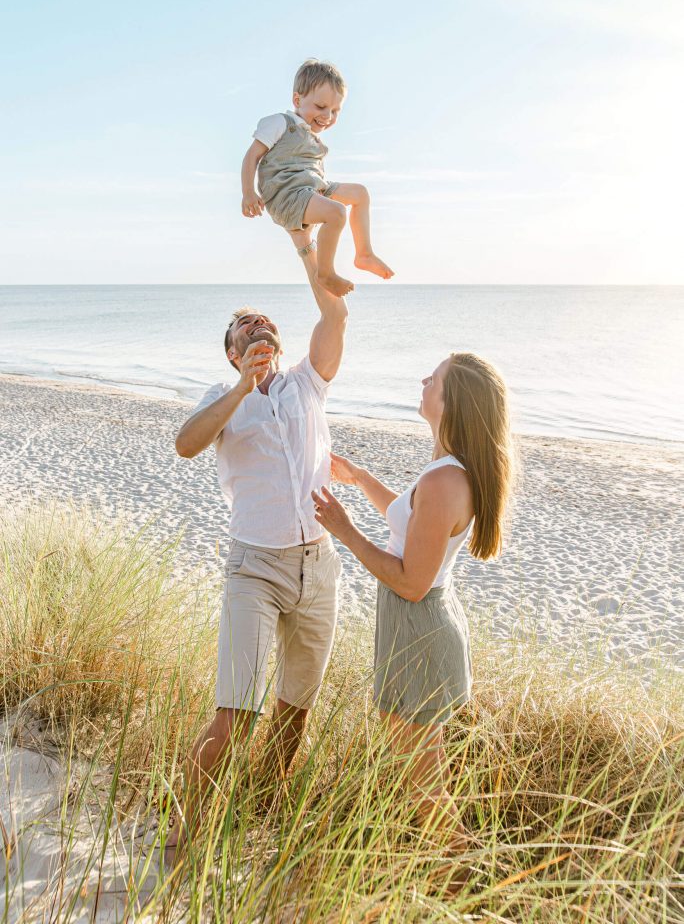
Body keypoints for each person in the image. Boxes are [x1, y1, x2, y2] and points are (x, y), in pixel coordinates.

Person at [166, 239, 347, 861]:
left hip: (319, 566)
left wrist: (311, 256)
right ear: (232, 351)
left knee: (293, 712)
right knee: (235, 713)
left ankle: (259, 815)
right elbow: (187, 445)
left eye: (265, 322)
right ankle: (183, 833)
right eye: (246, 327)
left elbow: (335, 319)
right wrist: (242, 388)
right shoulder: (223, 396)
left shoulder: (306, 385)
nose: (259, 327)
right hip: (255, 568)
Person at [312, 352, 513, 872]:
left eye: (435, 378)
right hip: (414, 628)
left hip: (420, 629)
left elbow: (411, 579)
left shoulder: (447, 481)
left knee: (422, 783)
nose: (424, 380)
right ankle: (435, 871)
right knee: (414, 771)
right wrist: (359, 478)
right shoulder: (445, 471)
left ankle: (464, 879)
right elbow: (408, 520)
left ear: (453, 404)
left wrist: (344, 528)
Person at [240, 58, 394, 298]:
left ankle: (364, 253)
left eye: (335, 111)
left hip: (311, 188)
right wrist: (249, 193)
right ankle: (325, 272)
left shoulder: (311, 136)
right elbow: (251, 157)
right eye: (321, 107)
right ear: (297, 100)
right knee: (336, 212)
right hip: (286, 195)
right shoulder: (280, 123)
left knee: (359, 193)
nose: (328, 116)